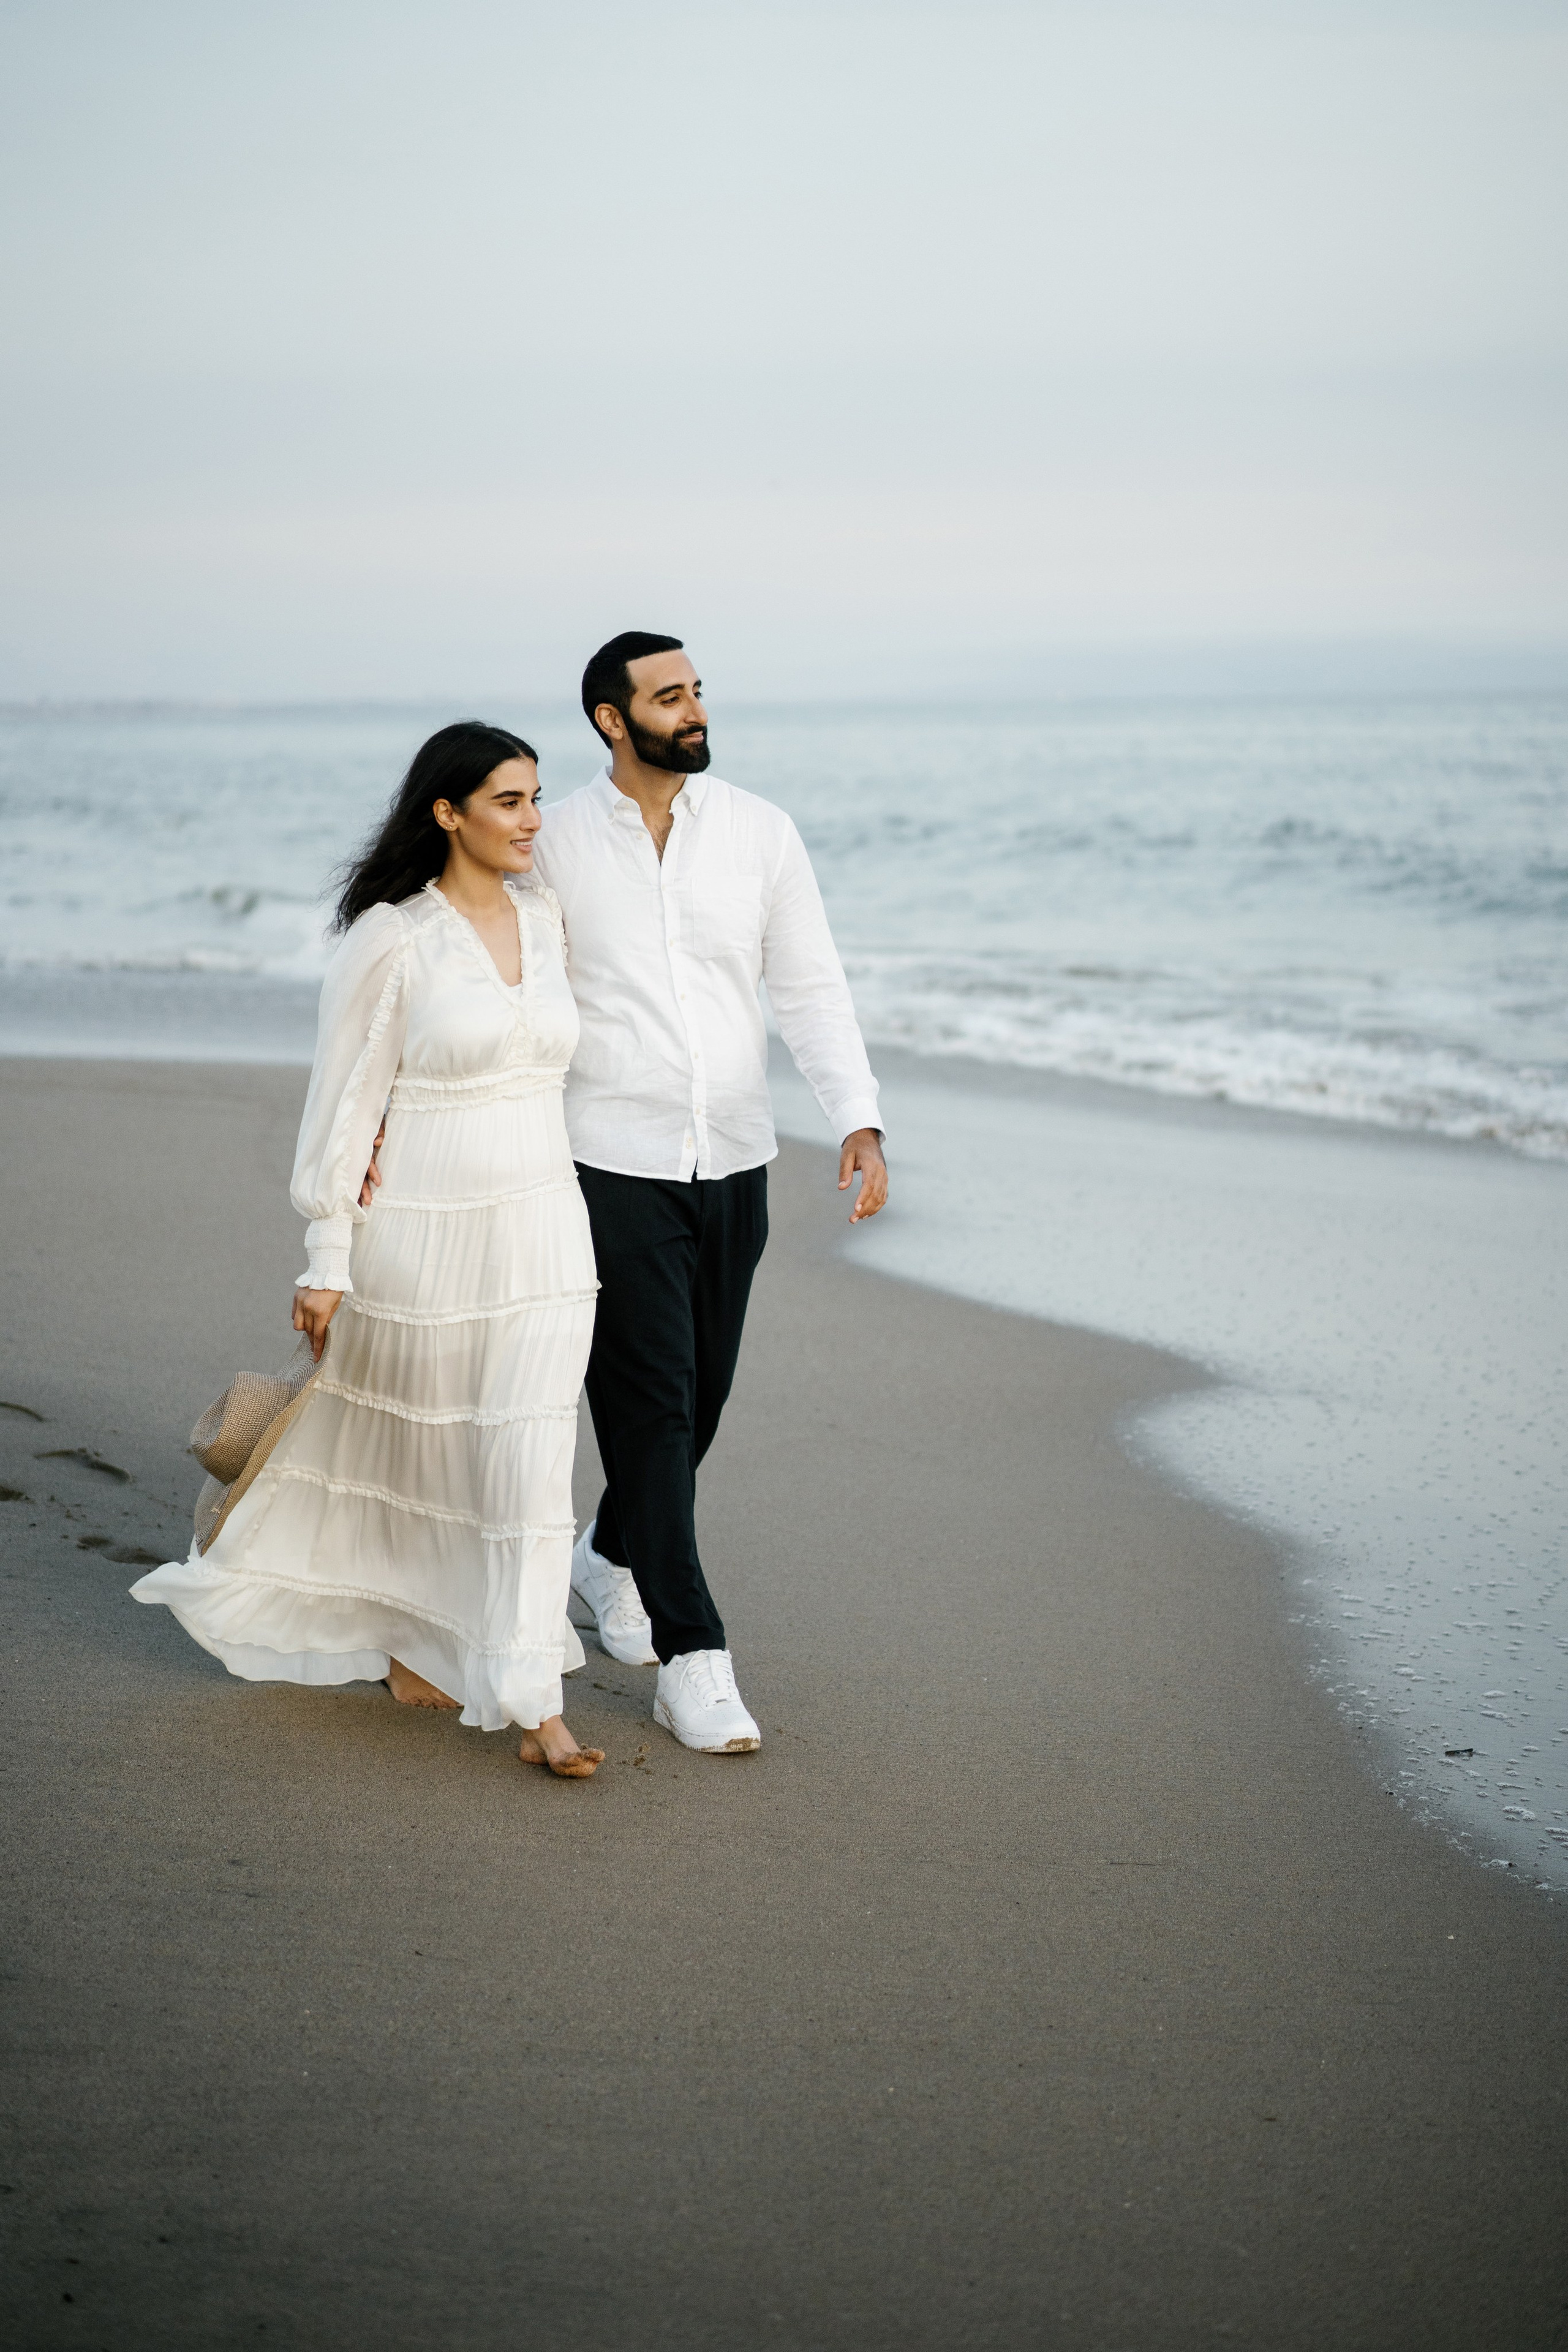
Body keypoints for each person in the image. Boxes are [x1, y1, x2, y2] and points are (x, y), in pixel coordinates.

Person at [131, 722, 605, 1779]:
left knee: (530, 1459)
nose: (534, 820)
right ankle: (408, 1635)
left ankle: (535, 1701)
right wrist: (328, 1252)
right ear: (447, 812)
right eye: (510, 801)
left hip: (545, 1228)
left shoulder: (548, 917)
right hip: (423, 1230)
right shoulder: (393, 938)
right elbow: (345, 1103)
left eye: (537, 798)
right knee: (412, 1448)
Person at [529, 631, 888, 1755]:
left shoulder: (759, 831)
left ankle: (609, 1555)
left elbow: (810, 986)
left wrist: (858, 1116)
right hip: (606, 1158)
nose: (693, 711)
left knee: (705, 1401)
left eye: (696, 692)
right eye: (668, 696)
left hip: (734, 1156)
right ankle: (695, 1658)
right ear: (611, 718)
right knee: (655, 1404)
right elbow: (510, 983)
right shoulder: (555, 842)